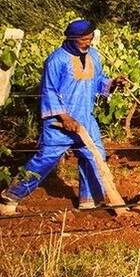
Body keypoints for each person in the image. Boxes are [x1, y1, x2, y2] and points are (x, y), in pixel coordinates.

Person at [0, 20, 126, 215]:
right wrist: (65, 117)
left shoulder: (93, 55)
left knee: (95, 156)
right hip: (59, 121)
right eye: (84, 39)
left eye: (91, 38)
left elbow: (98, 80)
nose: (89, 42)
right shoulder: (56, 60)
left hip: (85, 117)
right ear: (72, 39)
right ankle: (11, 196)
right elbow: (48, 91)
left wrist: (113, 82)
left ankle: (89, 200)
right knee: (45, 159)